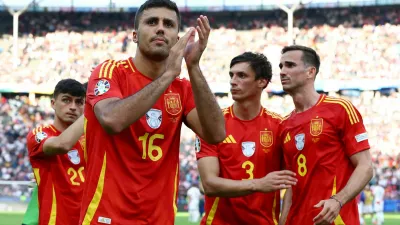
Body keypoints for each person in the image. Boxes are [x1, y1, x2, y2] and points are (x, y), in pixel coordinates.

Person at [79, 0, 225, 224]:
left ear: (177, 39)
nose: (160, 28)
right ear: (135, 35)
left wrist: (193, 66)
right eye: (151, 22)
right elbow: (112, 119)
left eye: (168, 24)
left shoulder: (182, 88)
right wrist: (168, 75)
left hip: (159, 219)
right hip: (106, 216)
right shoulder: (110, 71)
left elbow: (216, 134)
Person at [196, 52, 297, 225]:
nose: (233, 81)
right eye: (231, 75)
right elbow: (209, 185)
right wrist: (258, 184)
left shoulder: (281, 127)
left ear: (262, 82)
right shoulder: (213, 125)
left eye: (241, 75)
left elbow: (293, 183)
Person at [278, 45, 373, 225]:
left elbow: (366, 166)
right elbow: (291, 183)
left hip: (334, 220)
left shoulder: (340, 109)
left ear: (310, 72)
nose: (282, 71)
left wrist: (338, 200)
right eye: (281, 66)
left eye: (290, 65)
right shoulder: (283, 125)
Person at [26, 79, 86, 225]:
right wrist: (93, 109)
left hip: (87, 220)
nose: (73, 107)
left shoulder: (91, 140)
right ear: (53, 103)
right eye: (66, 100)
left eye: (79, 102)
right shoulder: (39, 134)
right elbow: (62, 144)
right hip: (55, 220)